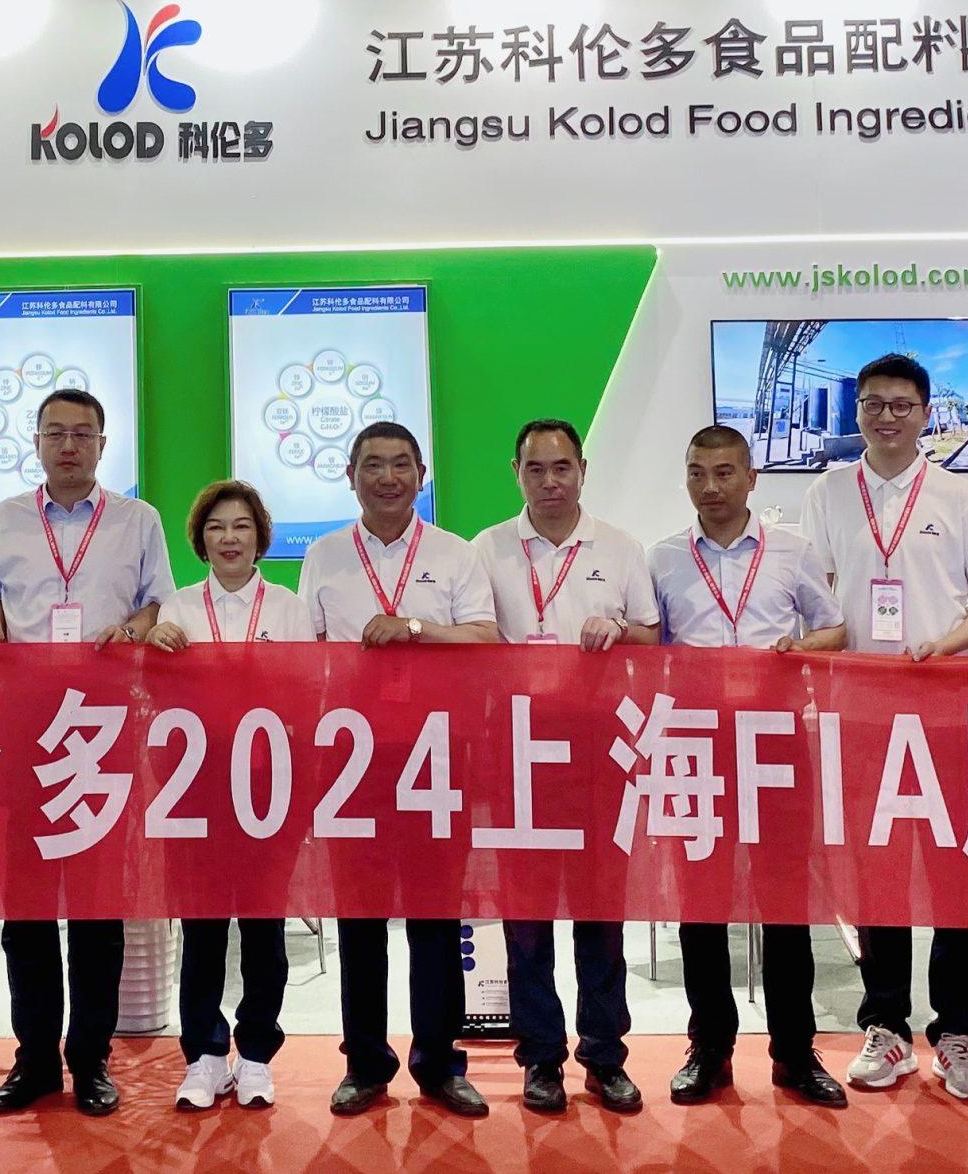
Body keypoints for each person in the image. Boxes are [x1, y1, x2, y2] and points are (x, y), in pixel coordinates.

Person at [799, 353, 968, 1102]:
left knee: (958, 869)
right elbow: (817, 596)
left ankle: (957, 1033)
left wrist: (947, 645)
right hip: (859, 710)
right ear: (856, 411)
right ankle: (886, 1025)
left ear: (925, 413)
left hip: (947, 705)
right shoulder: (827, 493)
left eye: (900, 405)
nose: (885, 416)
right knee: (877, 868)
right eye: (872, 404)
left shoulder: (960, 498)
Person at [0, 387, 170, 1117]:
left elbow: (159, 602)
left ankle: (90, 1059)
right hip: (21, 728)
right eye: (54, 432)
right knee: (24, 909)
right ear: (35, 441)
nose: (67, 445)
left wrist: (134, 628)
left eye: (82, 433)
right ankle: (32, 1060)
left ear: (102, 444)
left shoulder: (138, 519)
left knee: (96, 907)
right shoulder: (7, 517)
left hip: (101, 727)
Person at [298, 421, 500, 1118]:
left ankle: (440, 1064)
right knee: (359, 918)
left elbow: (485, 638)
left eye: (401, 465)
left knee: (436, 917)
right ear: (350, 475)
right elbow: (306, 655)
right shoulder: (324, 555)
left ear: (422, 474)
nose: (388, 478)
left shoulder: (454, 553)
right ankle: (365, 1064)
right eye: (374, 465)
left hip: (438, 755)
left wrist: (413, 627)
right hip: (352, 760)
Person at [648, 424, 849, 1106]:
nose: (711, 487)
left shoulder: (792, 551)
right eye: (698, 473)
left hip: (776, 744)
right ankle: (710, 1048)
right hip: (696, 744)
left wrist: (802, 648)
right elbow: (650, 646)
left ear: (751, 478)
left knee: (786, 902)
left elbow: (834, 628)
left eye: (725, 472)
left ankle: (795, 1053)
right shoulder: (663, 558)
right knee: (700, 903)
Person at [470, 418, 657, 1116]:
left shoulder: (621, 548)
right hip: (516, 753)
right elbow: (472, 639)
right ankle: (541, 1058)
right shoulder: (486, 549)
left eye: (562, 468)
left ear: (583, 470)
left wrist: (621, 630)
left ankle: (605, 1057)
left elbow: (652, 635)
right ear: (515, 472)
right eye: (535, 469)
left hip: (599, 751)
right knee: (526, 917)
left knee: (601, 913)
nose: (550, 482)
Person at [147, 479, 312, 1113]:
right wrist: (157, 653)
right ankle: (206, 1056)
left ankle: (258, 1054)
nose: (229, 538)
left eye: (241, 525)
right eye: (216, 527)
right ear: (201, 539)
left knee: (265, 925)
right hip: (198, 788)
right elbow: (160, 699)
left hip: (272, 786)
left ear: (260, 536)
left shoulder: (288, 608)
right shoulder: (179, 608)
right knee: (203, 925)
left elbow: (306, 693)